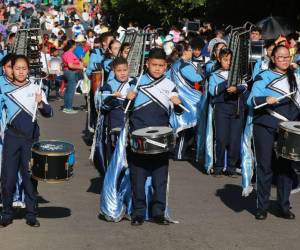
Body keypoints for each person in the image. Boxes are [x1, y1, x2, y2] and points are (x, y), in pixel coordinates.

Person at [126, 48, 183, 226]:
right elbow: (124, 108)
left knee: (160, 177)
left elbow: (179, 109)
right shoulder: (136, 82)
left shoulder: (169, 84)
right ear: (147, 64)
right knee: (138, 176)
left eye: (161, 66)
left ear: (166, 66)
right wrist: (128, 97)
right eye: (154, 65)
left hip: (161, 137)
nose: (158, 69)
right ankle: (138, 213)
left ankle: (159, 212)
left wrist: (178, 103)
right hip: (138, 135)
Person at [247, 45, 300, 220]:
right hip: (265, 124)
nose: (284, 60)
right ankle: (262, 207)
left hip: (288, 128)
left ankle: (283, 206)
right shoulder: (264, 76)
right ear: (273, 58)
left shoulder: (296, 78)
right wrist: (265, 99)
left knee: (285, 167)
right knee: (265, 166)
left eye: (287, 57)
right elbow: (251, 99)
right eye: (280, 57)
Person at [0, 55, 53, 227]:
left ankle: (31, 214)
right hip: (11, 138)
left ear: (28, 69)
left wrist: (41, 105)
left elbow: (49, 113)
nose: (21, 71)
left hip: (31, 139)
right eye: (17, 68)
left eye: (24, 68)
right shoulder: (5, 88)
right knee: (8, 178)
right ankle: (7, 213)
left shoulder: (36, 87)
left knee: (30, 177)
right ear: (11, 70)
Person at [208, 48, 247, 176]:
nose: (228, 62)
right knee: (221, 138)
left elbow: (245, 86)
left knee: (235, 140)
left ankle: (231, 167)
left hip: (236, 108)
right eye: (225, 60)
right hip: (221, 108)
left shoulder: (237, 74)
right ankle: (218, 166)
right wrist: (227, 82)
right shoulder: (215, 74)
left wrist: (236, 88)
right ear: (219, 60)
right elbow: (213, 91)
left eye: (231, 60)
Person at [171, 42, 204, 160]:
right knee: (187, 126)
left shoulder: (177, 63)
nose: (192, 52)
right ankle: (179, 153)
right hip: (187, 98)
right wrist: (202, 71)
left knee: (188, 126)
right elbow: (197, 78)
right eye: (190, 50)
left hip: (182, 97)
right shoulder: (184, 65)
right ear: (185, 52)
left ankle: (182, 151)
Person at [62, 40, 84, 114]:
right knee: (71, 91)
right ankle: (68, 108)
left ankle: (66, 107)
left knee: (68, 90)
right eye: (75, 45)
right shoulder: (69, 54)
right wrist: (80, 67)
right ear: (73, 46)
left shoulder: (68, 53)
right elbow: (70, 65)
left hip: (68, 72)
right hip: (70, 72)